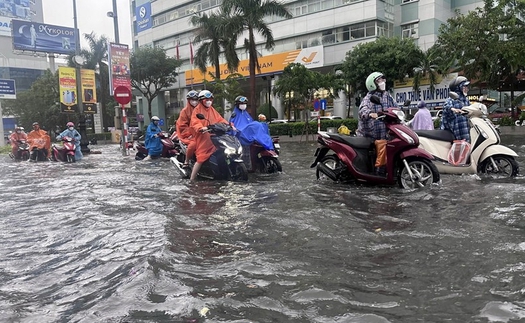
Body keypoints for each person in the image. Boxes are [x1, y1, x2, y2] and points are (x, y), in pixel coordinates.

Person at [356, 72, 398, 176]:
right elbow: (362, 110)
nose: (383, 82)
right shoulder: (369, 98)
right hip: (369, 134)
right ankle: (378, 173)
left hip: (384, 133)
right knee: (382, 146)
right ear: (372, 84)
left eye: (383, 80)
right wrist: (370, 113)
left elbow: (396, 108)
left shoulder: (388, 96)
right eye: (379, 80)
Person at [189, 90, 229, 181]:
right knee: (201, 158)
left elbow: (220, 119)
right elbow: (195, 122)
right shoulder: (197, 110)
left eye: (210, 99)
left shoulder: (212, 110)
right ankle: (192, 178)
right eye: (206, 99)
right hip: (203, 137)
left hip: (214, 136)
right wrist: (201, 128)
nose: (208, 101)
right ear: (201, 100)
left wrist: (227, 125)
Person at [229, 96, 275, 169]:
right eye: (241, 103)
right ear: (237, 105)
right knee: (256, 125)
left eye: (244, 103)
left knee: (261, 124)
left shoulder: (246, 114)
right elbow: (232, 124)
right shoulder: (235, 114)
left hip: (249, 129)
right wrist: (234, 127)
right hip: (242, 131)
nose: (243, 105)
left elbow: (250, 122)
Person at [441, 76, 471, 142]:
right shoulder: (451, 99)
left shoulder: (466, 100)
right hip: (456, 132)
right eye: (464, 86)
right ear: (458, 87)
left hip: (467, 130)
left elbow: (472, 109)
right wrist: (453, 109)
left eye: (467, 86)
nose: (466, 88)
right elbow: (446, 107)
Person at [176, 90, 200, 169]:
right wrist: (190, 134)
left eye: (196, 99)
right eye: (192, 100)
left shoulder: (202, 109)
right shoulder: (185, 111)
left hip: (203, 133)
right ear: (189, 100)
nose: (195, 102)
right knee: (193, 144)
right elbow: (182, 126)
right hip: (190, 135)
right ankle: (186, 161)